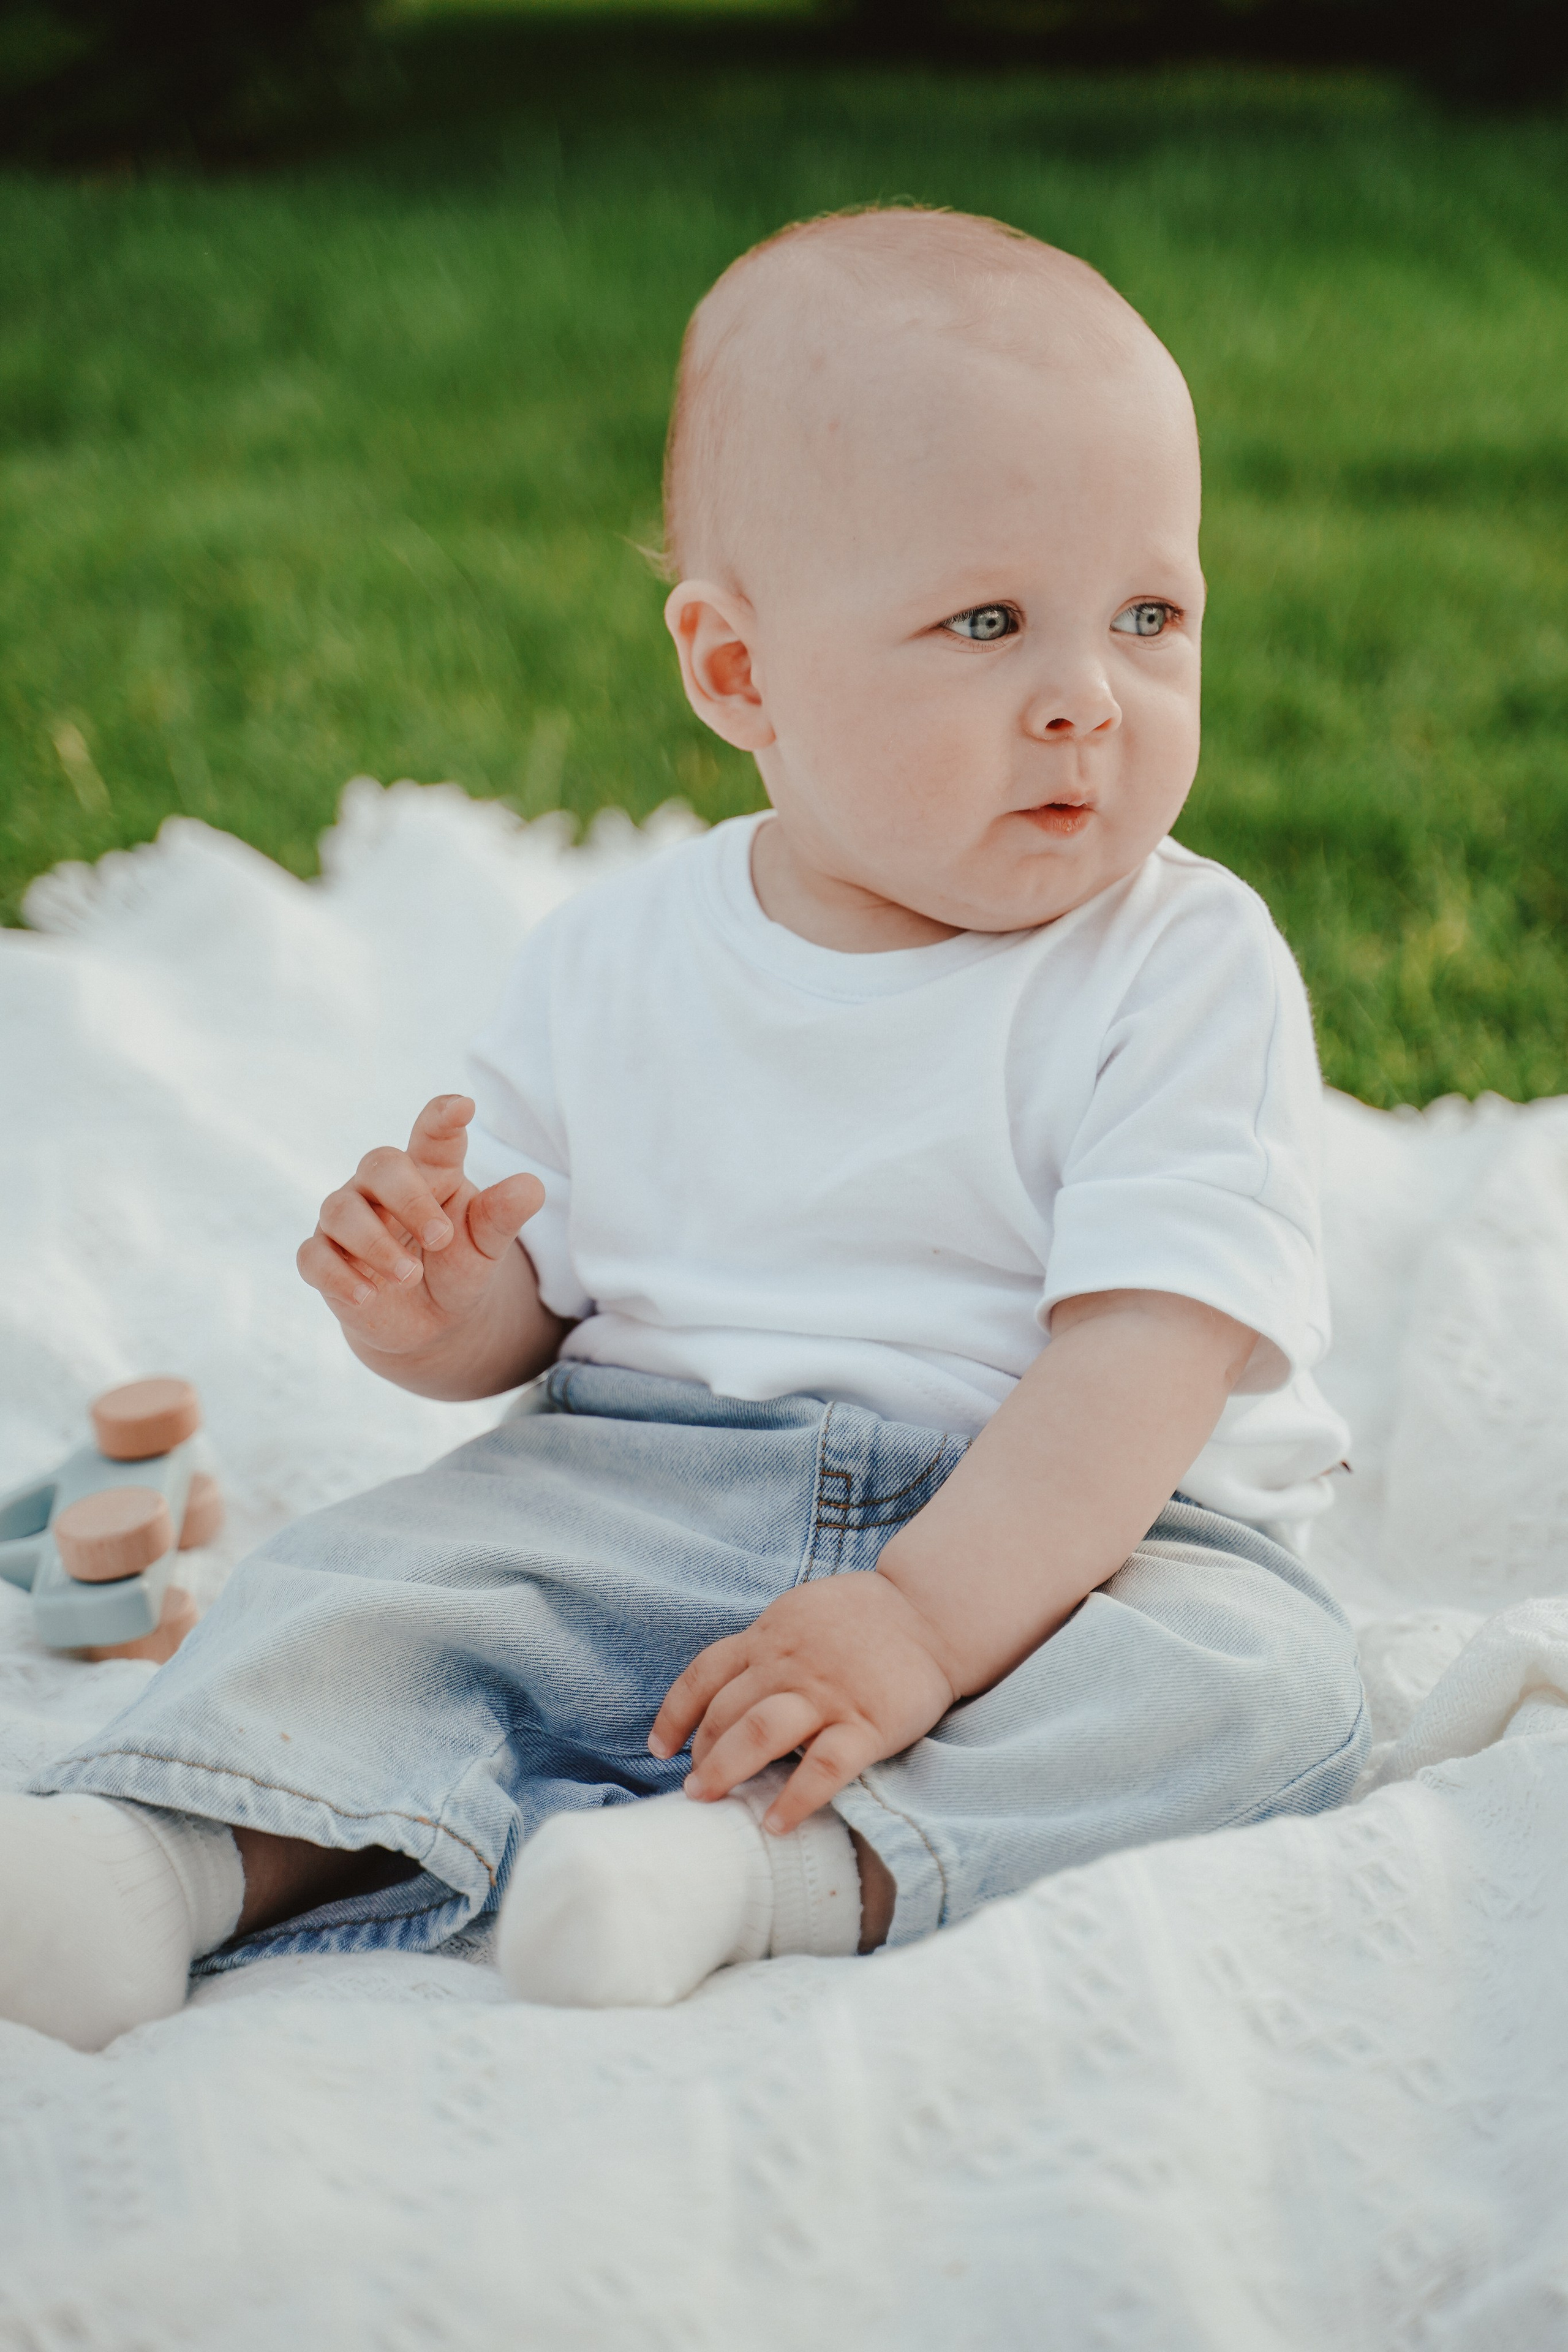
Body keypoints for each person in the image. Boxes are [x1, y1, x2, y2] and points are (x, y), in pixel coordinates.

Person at [0, 207, 1366, 2051]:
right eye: (988, 620)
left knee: (1259, 1686)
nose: (1085, 696)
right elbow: (534, 1321)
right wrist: (435, 1312)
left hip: (1068, 1531)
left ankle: (759, 1872)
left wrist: (917, 1625)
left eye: (1150, 613)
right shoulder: (615, 957)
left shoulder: (1180, 964)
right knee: (384, 1589)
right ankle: (164, 1854)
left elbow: (1148, 1356)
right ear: (738, 675)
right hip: (642, 1483)